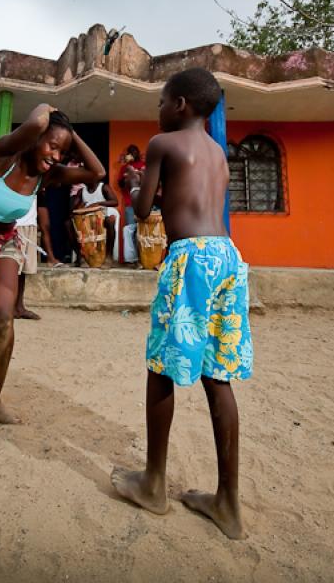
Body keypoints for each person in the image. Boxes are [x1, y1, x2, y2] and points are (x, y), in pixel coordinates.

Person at [110, 68, 253, 540]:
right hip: (228, 257)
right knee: (218, 375)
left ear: (181, 105)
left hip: (189, 257)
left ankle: (154, 485)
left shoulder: (161, 145)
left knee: (161, 367)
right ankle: (227, 503)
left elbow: (146, 207)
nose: (157, 111)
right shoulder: (218, 153)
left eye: (160, 102)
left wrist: (134, 186)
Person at [0, 104, 104, 441]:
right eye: (51, 146)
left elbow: (97, 173)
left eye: (63, 150)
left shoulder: (48, 175)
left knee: (2, 317)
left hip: (4, 244)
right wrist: (47, 109)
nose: (56, 155)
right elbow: (38, 121)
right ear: (35, 139)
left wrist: (71, 135)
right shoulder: (2, 154)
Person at [77, 180, 119, 267]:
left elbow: (115, 202)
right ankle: (81, 257)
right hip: (87, 222)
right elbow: (74, 209)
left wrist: (98, 203)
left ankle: (109, 257)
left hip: (101, 218)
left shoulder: (103, 187)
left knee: (110, 221)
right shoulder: (81, 191)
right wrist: (79, 206)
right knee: (68, 224)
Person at [14, 197, 41, 320]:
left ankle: (19, 306)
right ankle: (9, 306)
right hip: (16, 223)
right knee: (13, 269)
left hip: (30, 222)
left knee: (24, 269)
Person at [118, 145, 144, 226]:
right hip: (130, 203)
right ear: (128, 155)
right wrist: (126, 172)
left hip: (145, 202)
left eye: (135, 151)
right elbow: (121, 185)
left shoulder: (144, 164)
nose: (133, 153)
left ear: (138, 153)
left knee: (144, 230)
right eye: (131, 152)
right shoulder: (124, 168)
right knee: (131, 229)